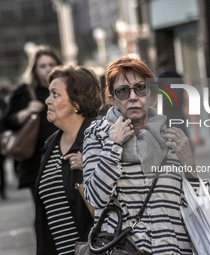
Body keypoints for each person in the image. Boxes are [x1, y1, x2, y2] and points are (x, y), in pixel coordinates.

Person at [83, 56, 201, 254]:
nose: (132, 97)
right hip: (126, 249)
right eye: (122, 91)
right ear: (111, 99)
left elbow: (194, 203)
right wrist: (113, 146)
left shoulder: (170, 137)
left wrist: (189, 164)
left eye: (140, 88)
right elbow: (96, 198)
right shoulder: (98, 135)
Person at [34, 65, 101, 254]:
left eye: (55, 95)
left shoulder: (99, 137)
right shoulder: (51, 144)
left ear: (77, 103)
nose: (47, 101)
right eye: (49, 94)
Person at [3, 45, 61, 195]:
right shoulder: (24, 91)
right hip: (36, 161)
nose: (48, 69)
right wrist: (27, 111)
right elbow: (7, 122)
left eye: (51, 64)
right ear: (34, 69)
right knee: (43, 212)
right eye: (42, 66)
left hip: (63, 157)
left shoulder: (68, 88)